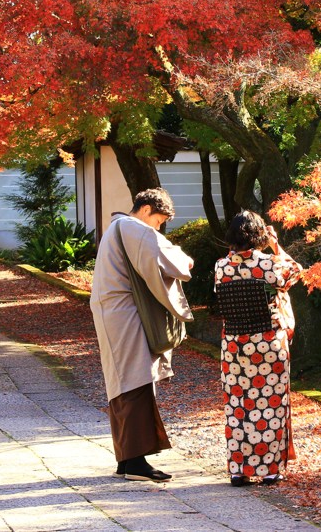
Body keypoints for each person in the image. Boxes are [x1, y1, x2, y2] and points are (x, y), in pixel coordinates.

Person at [90, 187, 194, 482]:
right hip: (124, 313)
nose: (159, 227)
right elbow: (173, 262)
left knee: (122, 382)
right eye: (159, 220)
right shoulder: (133, 227)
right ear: (146, 209)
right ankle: (135, 462)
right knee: (135, 379)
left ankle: (127, 458)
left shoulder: (117, 227)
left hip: (113, 311)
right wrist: (187, 261)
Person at [215, 210, 302, 487]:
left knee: (238, 405)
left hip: (235, 345)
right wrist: (275, 245)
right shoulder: (268, 264)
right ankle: (270, 470)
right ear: (259, 236)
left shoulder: (220, 267)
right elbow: (295, 272)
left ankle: (239, 470)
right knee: (271, 403)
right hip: (268, 343)